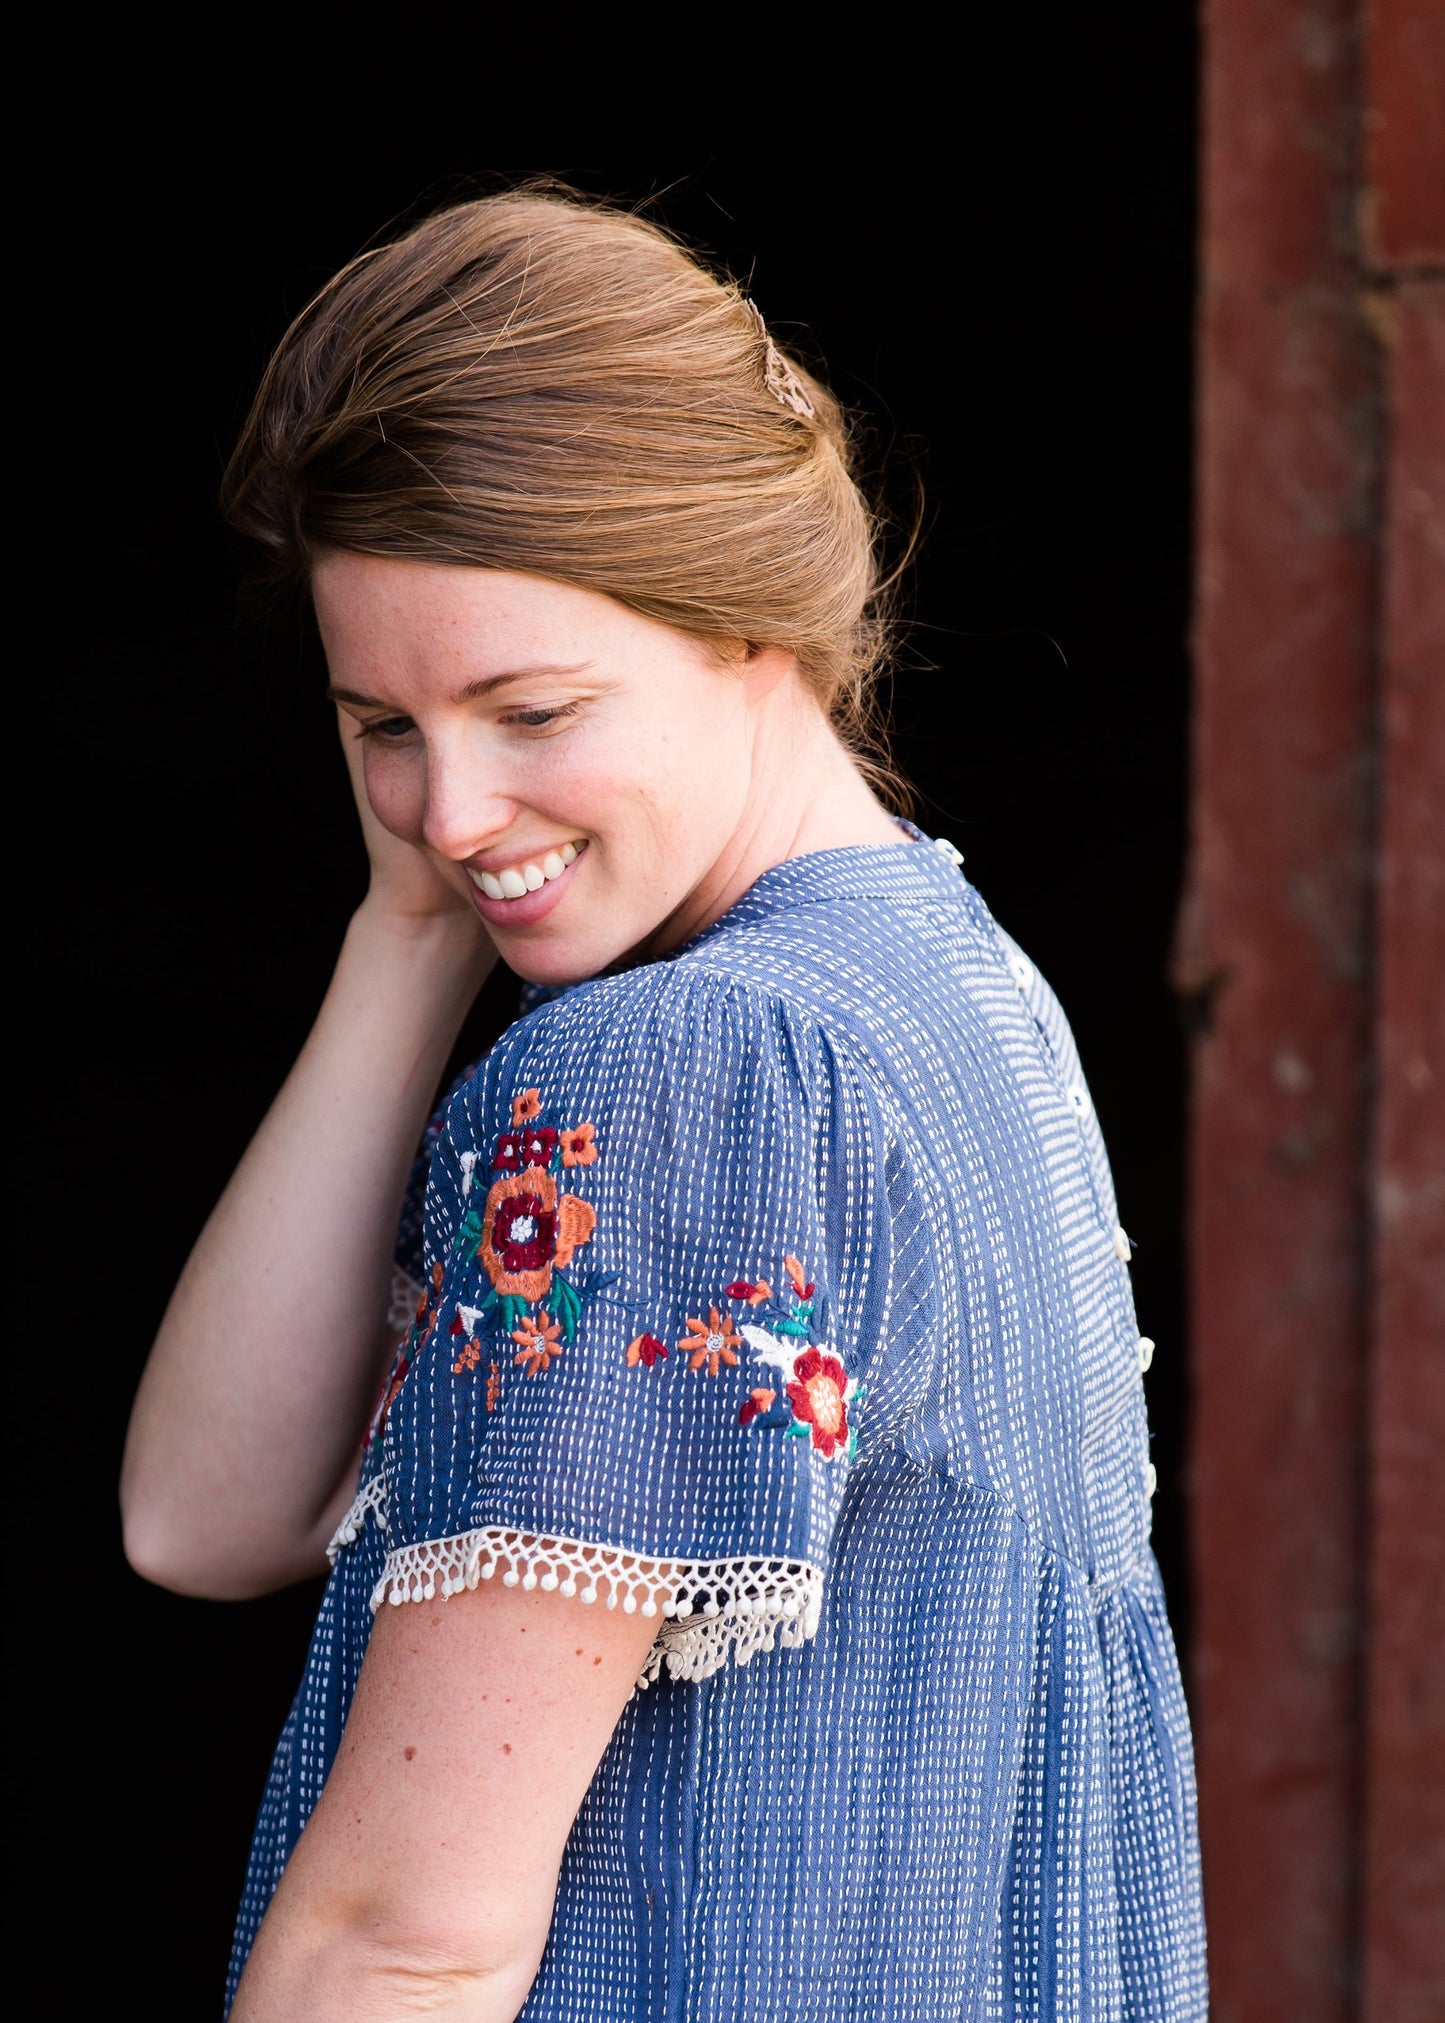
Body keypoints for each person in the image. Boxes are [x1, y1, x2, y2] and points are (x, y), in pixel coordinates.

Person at [120, 187, 1206, 2021]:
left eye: (529, 709)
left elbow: (409, 1938)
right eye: (382, 725)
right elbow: (207, 1515)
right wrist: (413, 932)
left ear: (752, 629)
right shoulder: (947, 983)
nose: (450, 803)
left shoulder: (687, 1072)